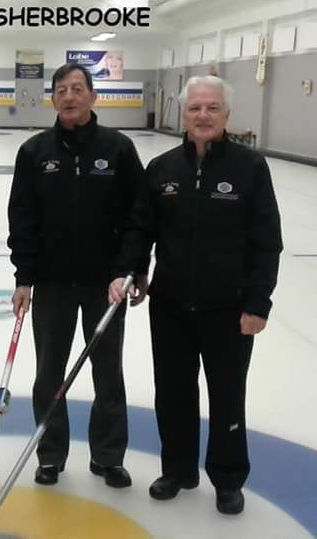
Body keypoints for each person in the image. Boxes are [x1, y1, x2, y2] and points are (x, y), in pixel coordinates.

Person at [109, 76, 283, 515]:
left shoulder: (250, 168)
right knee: (172, 393)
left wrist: (258, 302)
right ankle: (178, 470)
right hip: (171, 306)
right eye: (194, 108)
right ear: (183, 115)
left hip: (228, 308)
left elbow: (266, 241)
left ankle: (227, 478)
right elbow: (140, 229)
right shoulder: (162, 168)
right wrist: (131, 271)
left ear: (226, 114)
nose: (203, 115)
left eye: (212, 108)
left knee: (227, 395)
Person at [8, 63, 147, 488]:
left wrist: (131, 270)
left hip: (106, 286)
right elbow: (22, 219)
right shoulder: (34, 152)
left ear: (92, 96)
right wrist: (24, 278)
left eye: (77, 88)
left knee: (108, 374)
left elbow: (139, 217)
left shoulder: (119, 149)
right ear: (52, 98)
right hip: (52, 285)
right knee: (49, 374)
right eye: (61, 90)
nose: (69, 96)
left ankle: (108, 457)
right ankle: (50, 455)